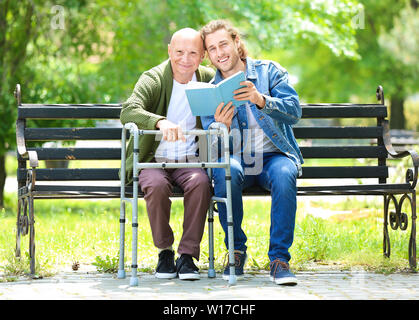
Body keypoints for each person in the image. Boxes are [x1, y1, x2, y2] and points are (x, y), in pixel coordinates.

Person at [200, 20, 303, 285]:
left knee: (284, 174)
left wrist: (261, 100)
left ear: (236, 41)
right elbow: (208, 148)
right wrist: (218, 128)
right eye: (212, 49)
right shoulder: (208, 92)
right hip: (237, 160)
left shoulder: (269, 72)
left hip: (274, 157)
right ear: (209, 55)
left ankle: (279, 260)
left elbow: (294, 112)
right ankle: (236, 251)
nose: (220, 52)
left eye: (223, 44)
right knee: (227, 170)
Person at [120, 28, 214, 280]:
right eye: (179, 52)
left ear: (203, 55)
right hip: (153, 161)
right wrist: (159, 121)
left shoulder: (207, 79)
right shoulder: (154, 78)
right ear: (170, 51)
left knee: (201, 183)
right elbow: (128, 111)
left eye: (193, 53)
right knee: (156, 186)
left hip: (189, 161)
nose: (185, 59)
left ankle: (187, 256)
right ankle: (164, 251)